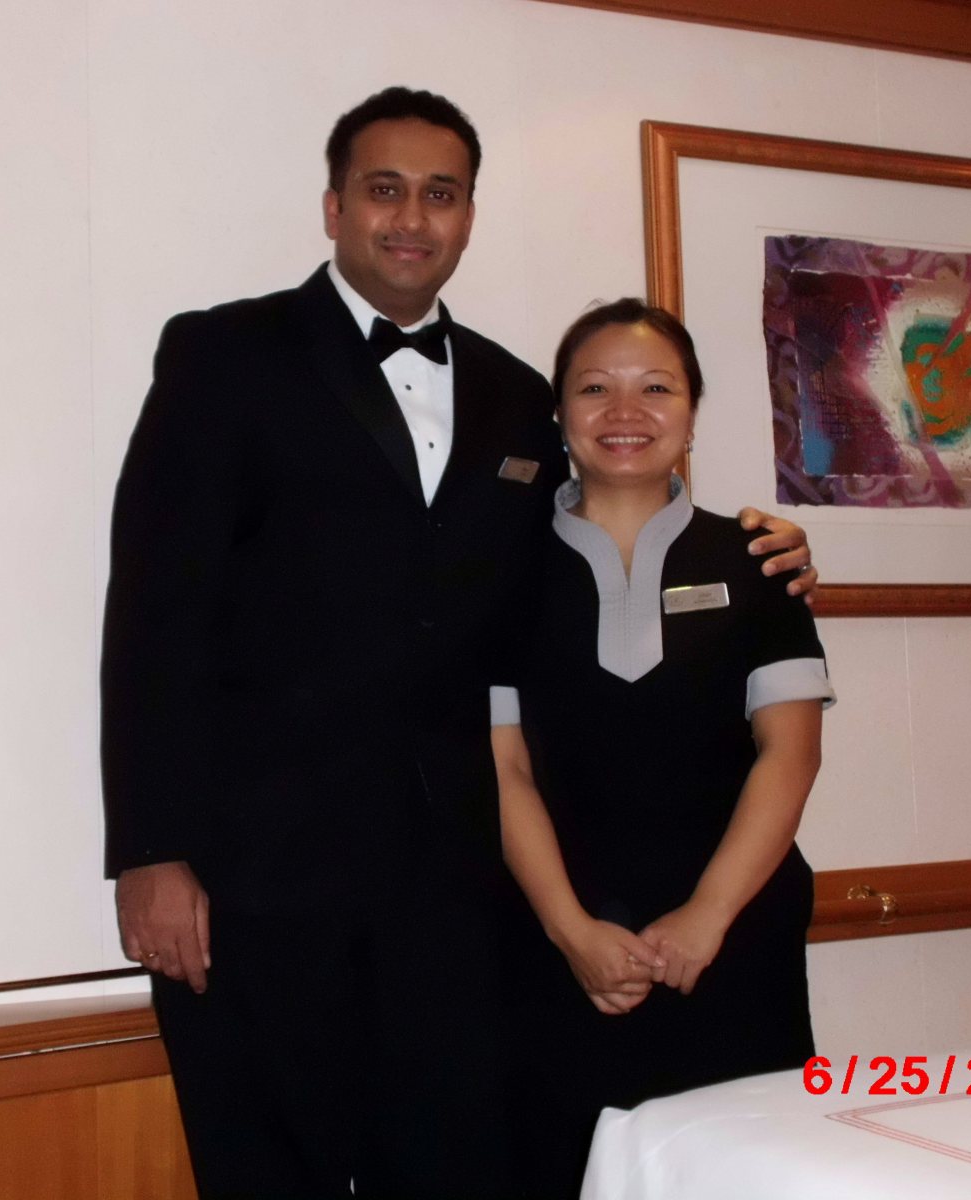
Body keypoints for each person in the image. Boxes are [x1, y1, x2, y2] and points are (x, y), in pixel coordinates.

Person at [100, 90, 815, 1200]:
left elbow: (602, 526)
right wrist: (152, 850)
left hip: (457, 892)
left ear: (469, 216)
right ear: (334, 206)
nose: (411, 217)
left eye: (440, 193)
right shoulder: (225, 355)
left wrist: (769, 545)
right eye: (384, 189)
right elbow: (154, 610)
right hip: (255, 880)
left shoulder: (517, 398)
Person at [492, 300, 834, 1200]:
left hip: (735, 939)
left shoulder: (759, 560)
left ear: (692, 411)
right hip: (555, 945)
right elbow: (503, 767)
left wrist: (707, 916)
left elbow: (791, 755)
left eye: (656, 388)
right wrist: (571, 932)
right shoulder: (501, 572)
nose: (624, 411)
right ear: (560, 413)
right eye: (593, 389)